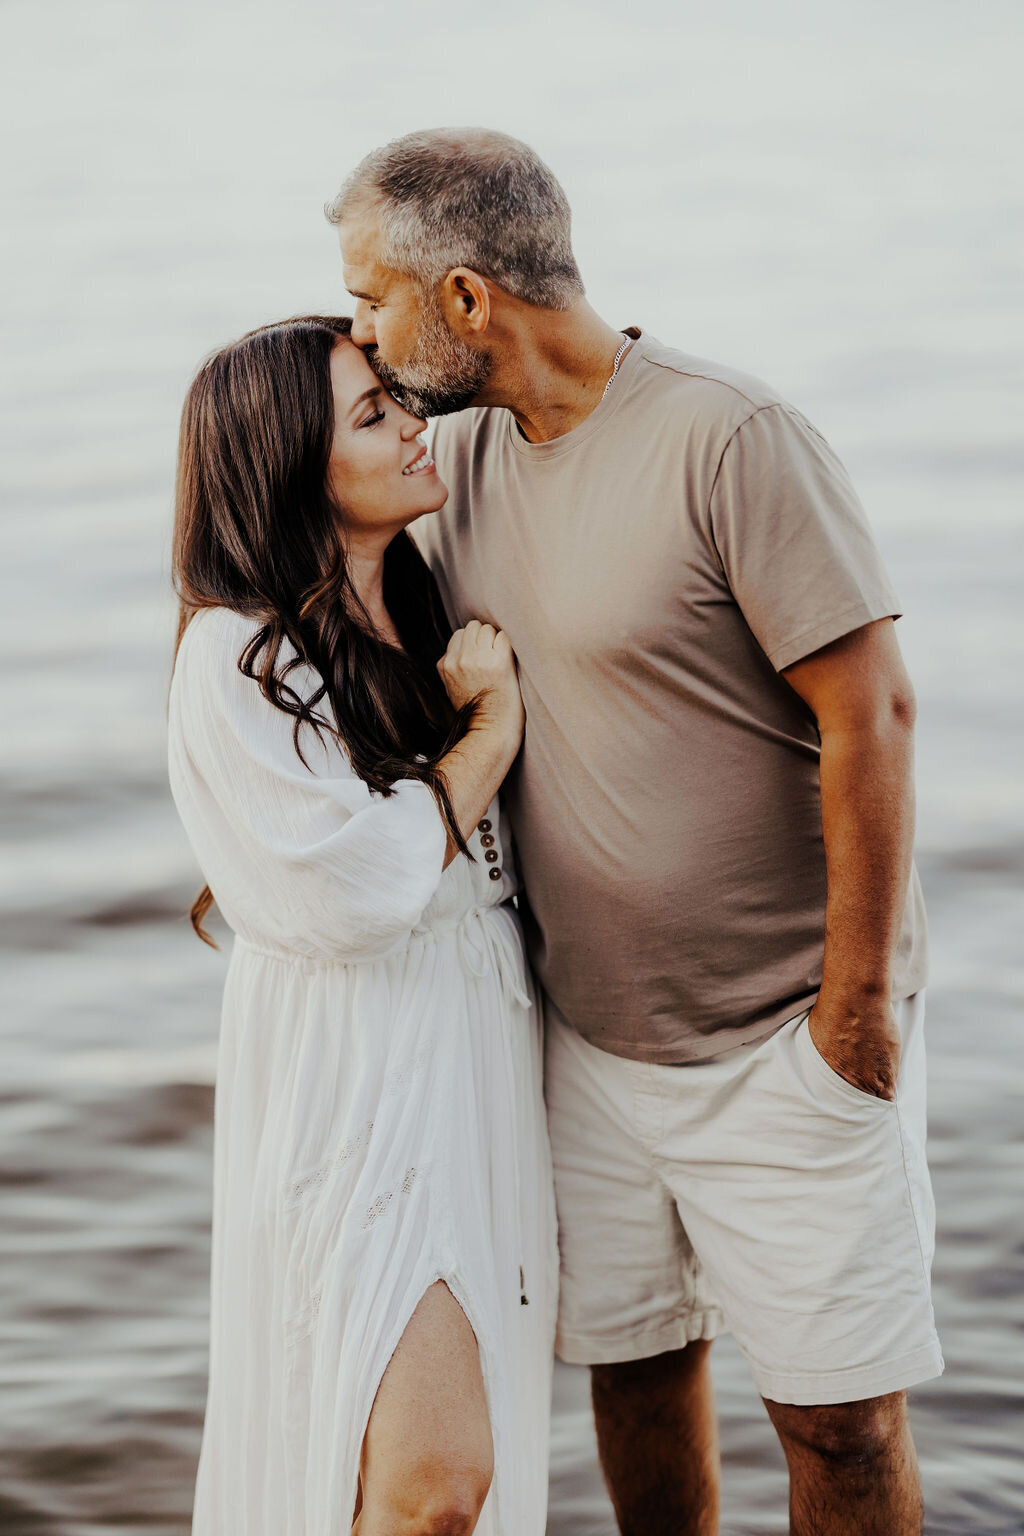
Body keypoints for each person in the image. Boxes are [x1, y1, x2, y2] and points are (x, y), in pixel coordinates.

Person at [327, 129, 944, 1536]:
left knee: (838, 1428)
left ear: (468, 297)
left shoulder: (730, 435)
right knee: (636, 1378)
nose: (361, 332)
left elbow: (877, 718)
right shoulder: (453, 463)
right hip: (586, 1046)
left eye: (373, 297)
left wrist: (855, 1016)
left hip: (789, 1034)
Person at [167, 314, 557, 1536]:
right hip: (356, 1065)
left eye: (402, 402)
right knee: (429, 1484)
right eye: (372, 416)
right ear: (290, 466)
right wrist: (486, 737)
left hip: (475, 1046)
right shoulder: (238, 659)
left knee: (441, 1474)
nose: (412, 427)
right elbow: (354, 891)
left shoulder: (436, 608)